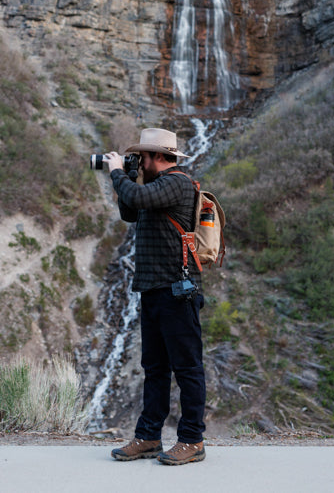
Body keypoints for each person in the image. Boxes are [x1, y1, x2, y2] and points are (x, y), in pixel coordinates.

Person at [105, 127, 206, 466]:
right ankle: (149, 436)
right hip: (152, 289)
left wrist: (118, 172)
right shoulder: (153, 188)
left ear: (158, 157)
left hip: (178, 291)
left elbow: (135, 199)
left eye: (141, 157)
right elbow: (130, 211)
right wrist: (128, 176)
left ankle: (192, 440)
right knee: (155, 368)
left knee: (188, 368)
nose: (139, 161)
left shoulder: (176, 182)